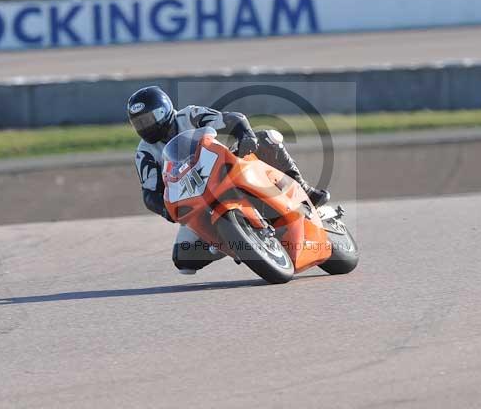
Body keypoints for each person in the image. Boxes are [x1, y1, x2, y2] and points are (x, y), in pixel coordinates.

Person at [127, 86, 330, 274]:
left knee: (266, 138)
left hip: (226, 168)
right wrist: (165, 210)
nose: (145, 127)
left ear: (164, 111)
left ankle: (304, 189)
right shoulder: (144, 153)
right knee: (184, 259)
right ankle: (233, 241)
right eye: (139, 123)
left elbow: (231, 119)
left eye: (148, 119)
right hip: (196, 199)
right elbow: (149, 192)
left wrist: (245, 135)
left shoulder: (189, 115)